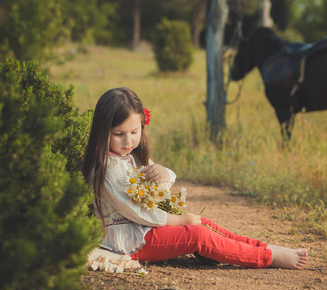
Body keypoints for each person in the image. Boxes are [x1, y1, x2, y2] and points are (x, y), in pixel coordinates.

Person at [82, 87, 308, 269]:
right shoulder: (107, 167)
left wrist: (161, 171)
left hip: (145, 229)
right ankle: (267, 257)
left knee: (204, 223)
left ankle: (265, 247)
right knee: (198, 234)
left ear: (142, 125)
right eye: (119, 134)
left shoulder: (127, 157)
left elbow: (166, 178)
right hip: (129, 241)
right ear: (103, 131)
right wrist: (180, 220)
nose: (128, 141)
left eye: (134, 132)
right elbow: (138, 211)